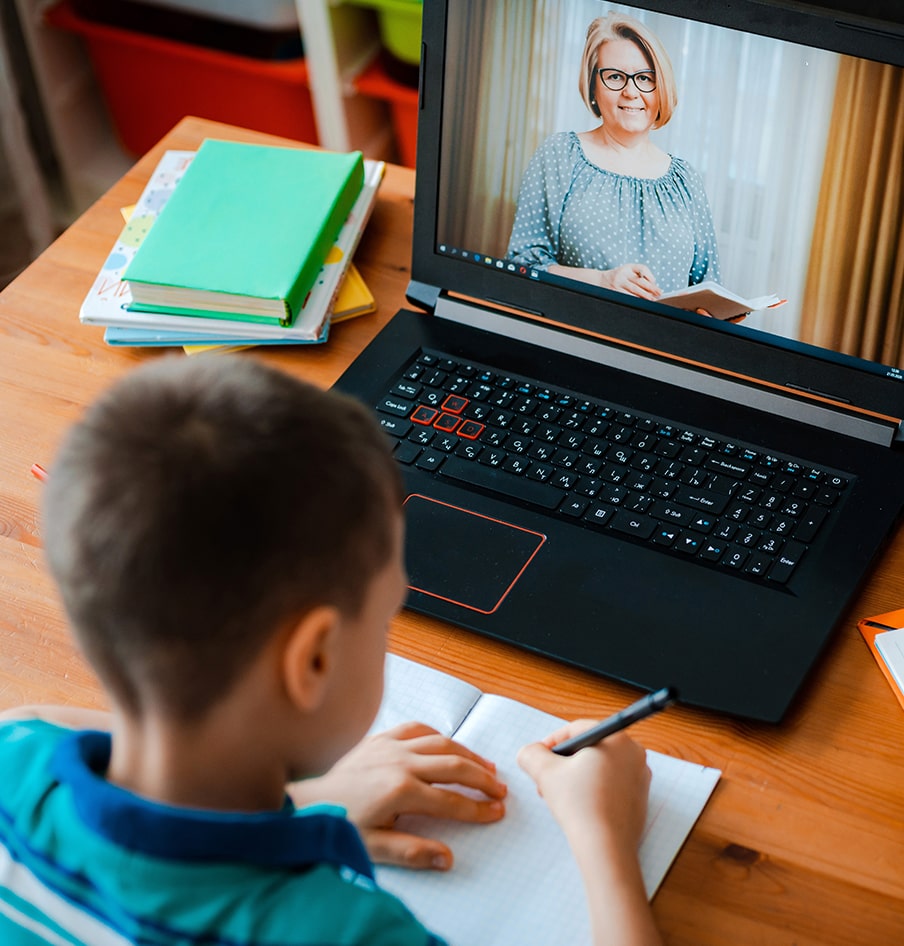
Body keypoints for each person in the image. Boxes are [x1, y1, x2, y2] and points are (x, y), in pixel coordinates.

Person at [0, 355, 661, 946]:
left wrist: (307, 792)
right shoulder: (345, 930)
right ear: (312, 660)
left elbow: (28, 719)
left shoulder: (15, 765)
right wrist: (607, 839)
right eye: (385, 618)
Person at [507, 13, 720, 302]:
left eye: (645, 78)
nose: (631, 91)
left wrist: (717, 311)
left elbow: (707, 286)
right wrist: (602, 280)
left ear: (662, 89)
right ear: (593, 85)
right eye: (615, 77)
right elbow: (522, 266)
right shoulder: (559, 155)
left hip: (660, 344)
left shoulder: (686, 180)